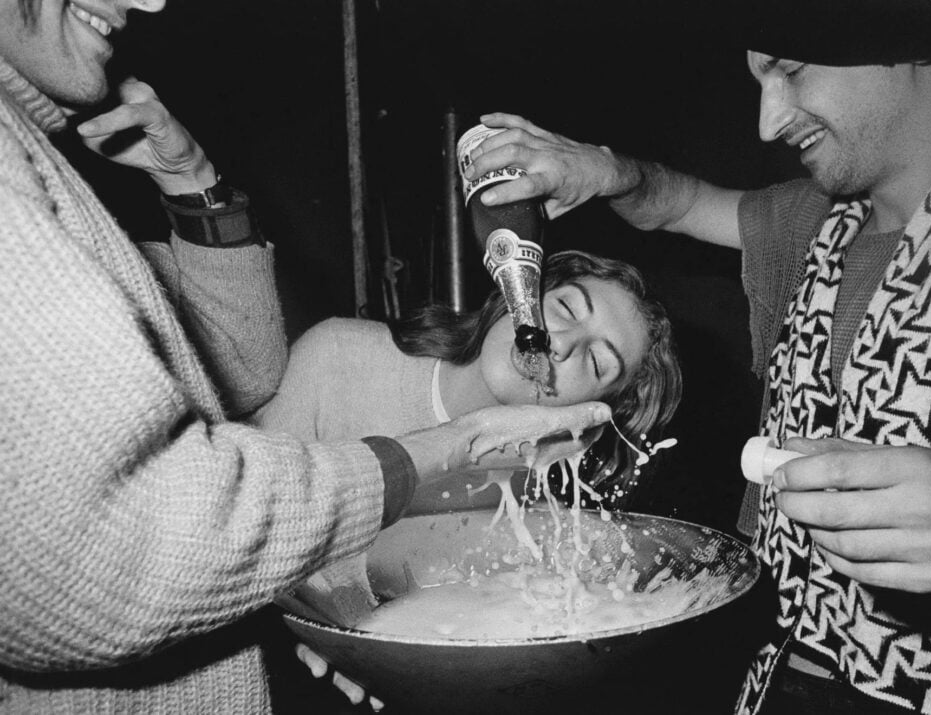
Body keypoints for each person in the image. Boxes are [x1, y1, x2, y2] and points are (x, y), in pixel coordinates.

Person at [458, 1, 931, 713]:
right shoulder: (811, 220)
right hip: (765, 680)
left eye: (789, 70)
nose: (768, 121)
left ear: (905, 32)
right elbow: (674, 201)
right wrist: (600, 168)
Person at [0, 1, 609, 712]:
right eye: (568, 312)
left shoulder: (30, 151)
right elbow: (116, 556)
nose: (153, 2)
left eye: (602, 365)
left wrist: (196, 186)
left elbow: (236, 366)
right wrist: (443, 451)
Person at [254, 249, 683, 510]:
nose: (560, 343)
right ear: (521, 290)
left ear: (595, 409)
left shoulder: (542, 486)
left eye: (596, 362)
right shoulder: (336, 356)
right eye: (566, 308)